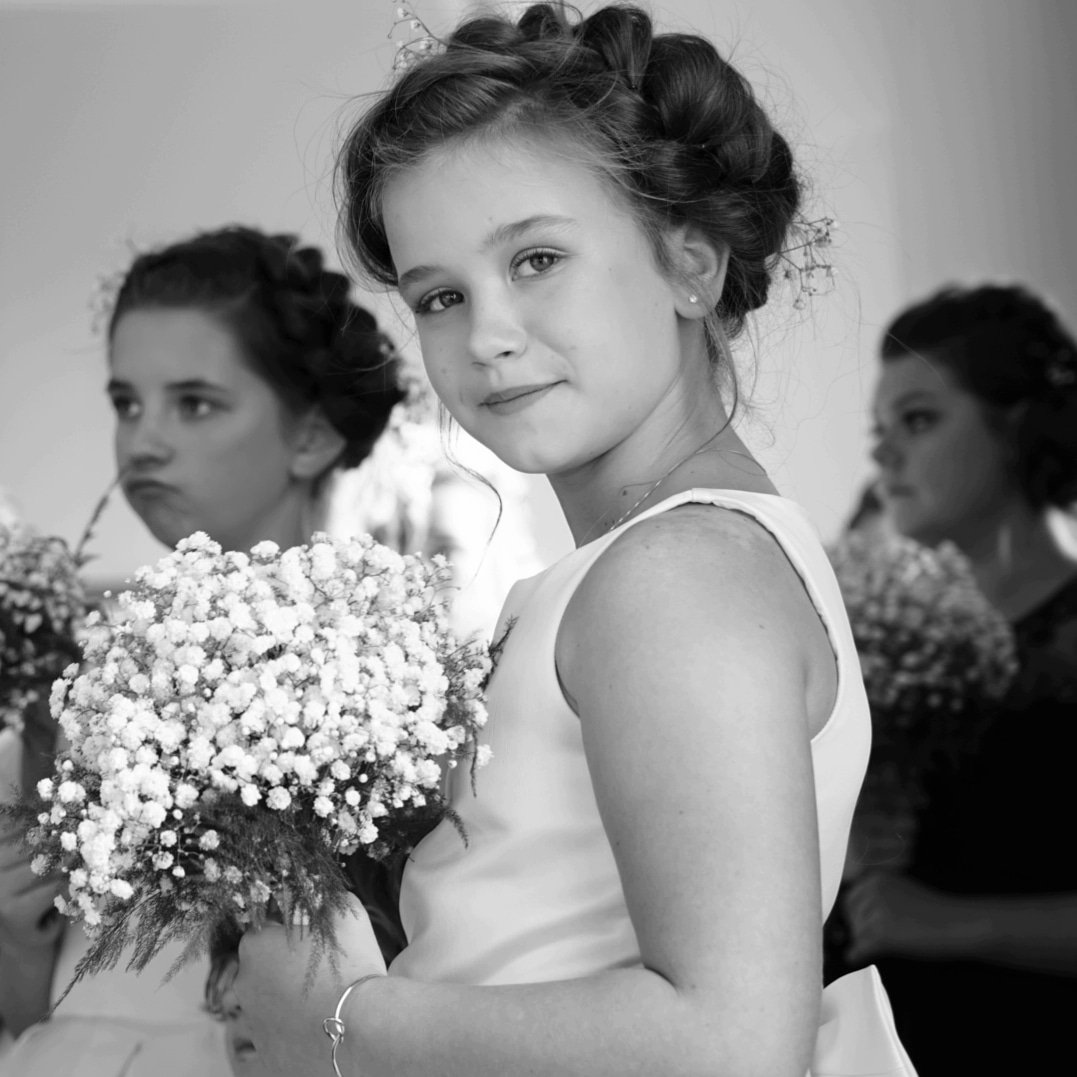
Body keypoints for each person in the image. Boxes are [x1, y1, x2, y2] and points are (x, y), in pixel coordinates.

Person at [233, 5, 915, 1074]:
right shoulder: (651, 567)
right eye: (442, 296)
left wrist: (338, 1021)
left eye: (538, 258)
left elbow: (734, 1042)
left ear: (691, 264)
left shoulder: (674, 578)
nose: (490, 335)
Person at [0, 225, 405, 1075]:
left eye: (195, 402)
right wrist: (15, 938)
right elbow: (55, 1001)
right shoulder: (72, 682)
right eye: (126, 402)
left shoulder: (386, 681)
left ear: (313, 435)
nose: (143, 440)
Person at [843, 282, 1077, 1073]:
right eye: (877, 431)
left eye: (917, 420)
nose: (882, 455)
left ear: (1014, 422)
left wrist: (952, 921)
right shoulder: (885, 630)